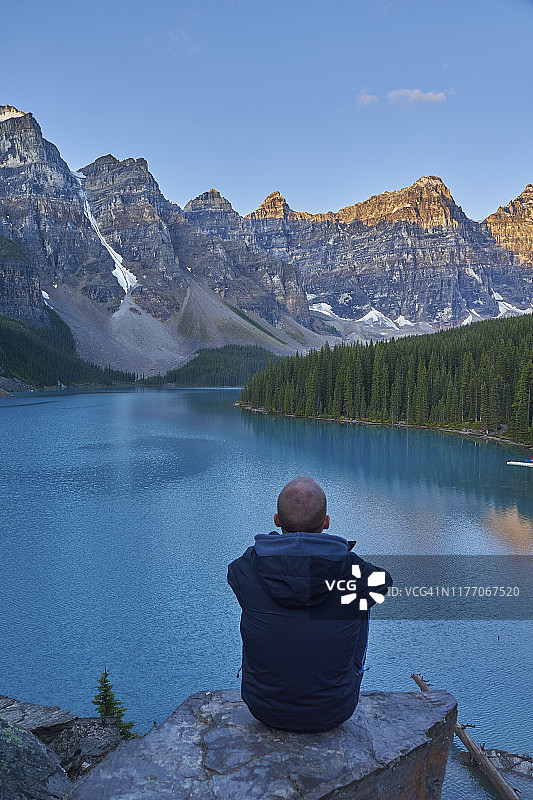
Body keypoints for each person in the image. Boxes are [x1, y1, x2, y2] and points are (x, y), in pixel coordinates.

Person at [227, 476, 392, 733]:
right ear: (326, 523)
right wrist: (343, 555)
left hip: (262, 708)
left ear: (277, 520)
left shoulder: (247, 569)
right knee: (359, 601)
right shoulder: (352, 571)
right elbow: (383, 582)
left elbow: (234, 570)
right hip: (333, 711)